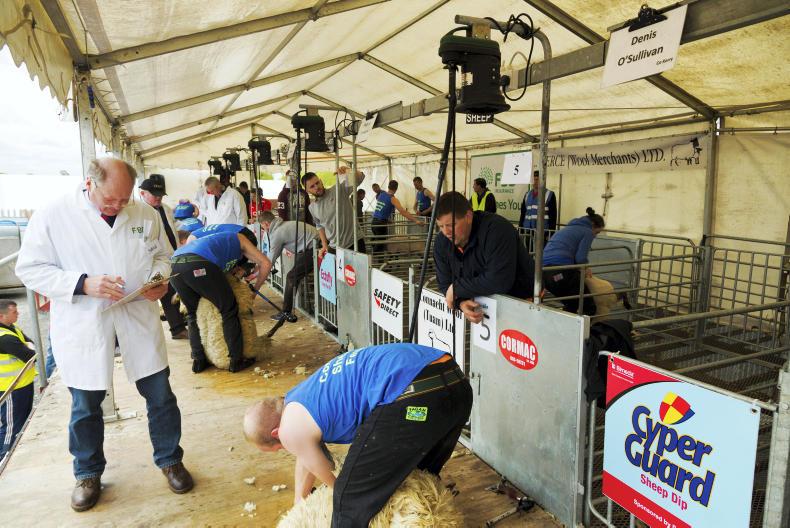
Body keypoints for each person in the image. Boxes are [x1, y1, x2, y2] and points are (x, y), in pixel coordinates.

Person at [15, 158, 193, 512]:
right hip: (85, 320)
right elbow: (30, 268)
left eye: (124, 199)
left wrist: (158, 280)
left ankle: (170, 459)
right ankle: (87, 472)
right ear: (89, 184)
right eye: (111, 200)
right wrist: (81, 283)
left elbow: (164, 256)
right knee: (85, 405)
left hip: (136, 314)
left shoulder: (144, 213)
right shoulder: (54, 214)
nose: (118, 206)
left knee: (160, 395)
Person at [243, 343, 472, 527]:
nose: (285, 446)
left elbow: (327, 474)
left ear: (276, 433)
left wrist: (344, 496)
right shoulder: (303, 397)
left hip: (412, 396)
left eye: (278, 446)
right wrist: (299, 501)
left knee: (349, 497)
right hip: (454, 383)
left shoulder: (289, 429)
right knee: (412, 475)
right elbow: (305, 458)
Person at [170, 229, 272, 374]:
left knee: (192, 313)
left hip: (175, 266)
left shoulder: (217, 242)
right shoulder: (240, 238)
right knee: (229, 309)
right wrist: (254, 290)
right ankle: (236, 360)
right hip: (198, 264)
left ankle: (199, 360)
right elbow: (265, 263)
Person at [433, 191, 535, 323]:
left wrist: (457, 288)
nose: (446, 232)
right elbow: (445, 284)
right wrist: (461, 302)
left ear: (468, 216)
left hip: (522, 302)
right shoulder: (442, 242)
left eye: (451, 225)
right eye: (441, 226)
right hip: (486, 309)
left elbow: (499, 280)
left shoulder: (497, 230)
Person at [138, 175, 188, 340]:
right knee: (166, 293)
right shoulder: (139, 213)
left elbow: (172, 229)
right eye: (154, 194)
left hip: (173, 254)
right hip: (154, 261)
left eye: (160, 194)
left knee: (175, 290)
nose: (158, 197)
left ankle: (179, 323)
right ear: (142, 193)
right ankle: (177, 328)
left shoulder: (165, 208)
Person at [542, 207, 605, 316]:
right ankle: (589, 331)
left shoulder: (568, 228)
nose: (595, 236)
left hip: (545, 275)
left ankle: (564, 329)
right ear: (593, 225)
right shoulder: (587, 232)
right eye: (597, 232)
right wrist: (586, 267)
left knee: (572, 305)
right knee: (589, 308)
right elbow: (580, 258)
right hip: (561, 273)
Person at [259, 211, 319, 323]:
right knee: (293, 276)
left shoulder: (278, 233)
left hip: (314, 248)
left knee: (292, 277)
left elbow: (270, 260)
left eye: (262, 226)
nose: (264, 229)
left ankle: (286, 312)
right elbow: (273, 255)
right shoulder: (283, 225)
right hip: (313, 246)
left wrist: (259, 276)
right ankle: (288, 310)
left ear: (266, 224)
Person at [0, 299, 36, 462]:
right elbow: (31, 355)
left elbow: (33, 345)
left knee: (21, 423)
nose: (18, 314)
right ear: (2, 316)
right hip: (11, 389)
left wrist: (28, 347)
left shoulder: (12, 328)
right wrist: (28, 347)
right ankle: (3, 458)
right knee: (11, 427)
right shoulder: (5, 338)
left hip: (23, 384)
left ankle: (12, 455)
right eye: (14, 312)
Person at [302, 167, 366, 258]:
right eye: (312, 186)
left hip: (355, 243)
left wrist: (349, 170)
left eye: (317, 183)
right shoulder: (312, 207)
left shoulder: (338, 189)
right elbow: (319, 226)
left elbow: (360, 177)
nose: (317, 187)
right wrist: (324, 245)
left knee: (359, 272)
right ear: (307, 190)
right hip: (334, 248)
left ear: (321, 181)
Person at [370, 180, 424, 253]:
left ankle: (376, 258)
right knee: (380, 244)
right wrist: (416, 220)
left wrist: (387, 220)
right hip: (380, 224)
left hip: (374, 222)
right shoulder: (393, 199)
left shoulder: (381, 195)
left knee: (378, 242)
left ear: (388, 186)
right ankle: (374, 260)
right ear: (396, 188)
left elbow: (381, 210)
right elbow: (402, 211)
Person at [519, 170, 557, 248]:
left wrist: (551, 233)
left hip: (542, 231)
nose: (535, 182)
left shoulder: (549, 195)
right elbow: (523, 213)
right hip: (527, 230)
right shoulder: (527, 194)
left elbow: (553, 215)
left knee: (540, 255)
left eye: (537, 180)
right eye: (533, 180)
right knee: (528, 253)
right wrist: (521, 228)